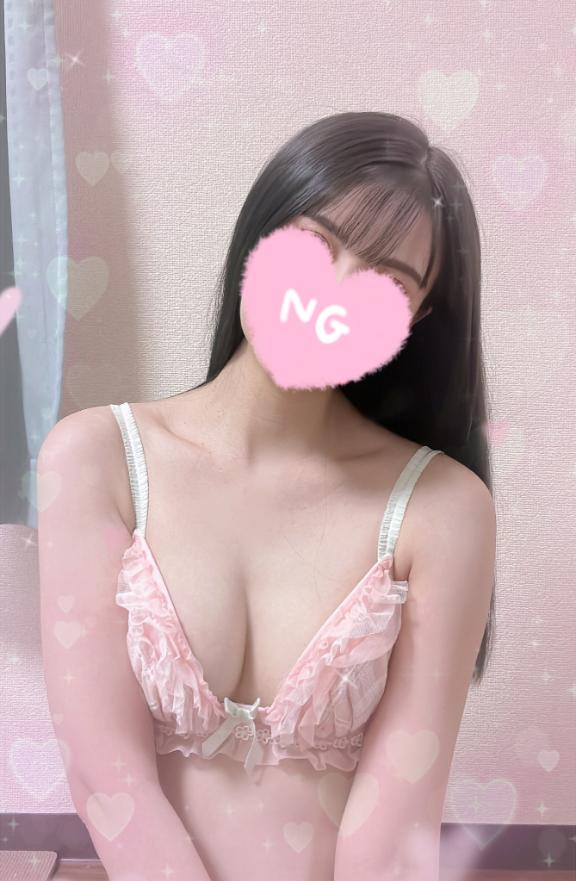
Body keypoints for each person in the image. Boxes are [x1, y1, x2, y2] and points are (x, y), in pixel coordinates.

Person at [38, 111, 496, 881]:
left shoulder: (442, 509)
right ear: (262, 234)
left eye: (386, 282)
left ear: (413, 319)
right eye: (317, 244)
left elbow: (397, 827)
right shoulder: (95, 459)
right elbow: (105, 774)